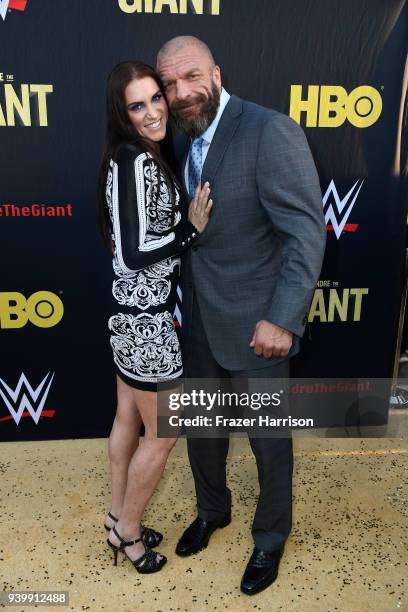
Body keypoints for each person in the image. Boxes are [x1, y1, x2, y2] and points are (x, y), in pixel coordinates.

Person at [157, 37, 326, 594]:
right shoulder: (180, 138)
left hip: (258, 327)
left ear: (217, 73)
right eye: (169, 85)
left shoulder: (267, 129)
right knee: (202, 433)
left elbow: (304, 233)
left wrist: (282, 318)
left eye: (190, 78)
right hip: (198, 321)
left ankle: (271, 537)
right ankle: (212, 511)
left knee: (268, 440)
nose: (180, 93)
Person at [96, 61, 212, 574]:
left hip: (133, 316)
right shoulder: (135, 162)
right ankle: (129, 533)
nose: (151, 112)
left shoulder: (137, 157)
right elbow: (135, 254)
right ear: (122, 115)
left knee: (127, 417)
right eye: (136, 106)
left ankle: (116, 515)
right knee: (163, 435)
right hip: (146, 324)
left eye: (155, 100)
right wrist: (190, 229)